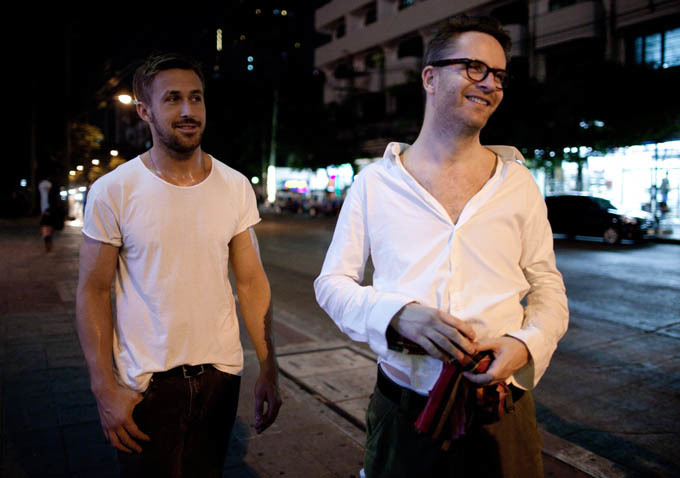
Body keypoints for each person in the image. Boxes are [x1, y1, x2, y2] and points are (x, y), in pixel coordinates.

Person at [314, 15, 568, 477]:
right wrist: (397, 315)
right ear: (430, 77)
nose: (489, 84)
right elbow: (332, 283)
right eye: (474, 67)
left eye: (498, 75)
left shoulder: (518, 183)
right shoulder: (374, 183)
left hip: (502, 408)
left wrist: (525, 343)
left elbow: (547, 285)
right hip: (405, 409)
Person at [76, 53, 282, 478]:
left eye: (196, 98)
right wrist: (104, 389)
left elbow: (250, 281)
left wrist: (269, 367)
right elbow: (93, 291)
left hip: (221, 378)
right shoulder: (114, 190)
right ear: (144, 111)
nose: (188, 110)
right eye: (172, 99)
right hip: (146, 385)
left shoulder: (235, 185)